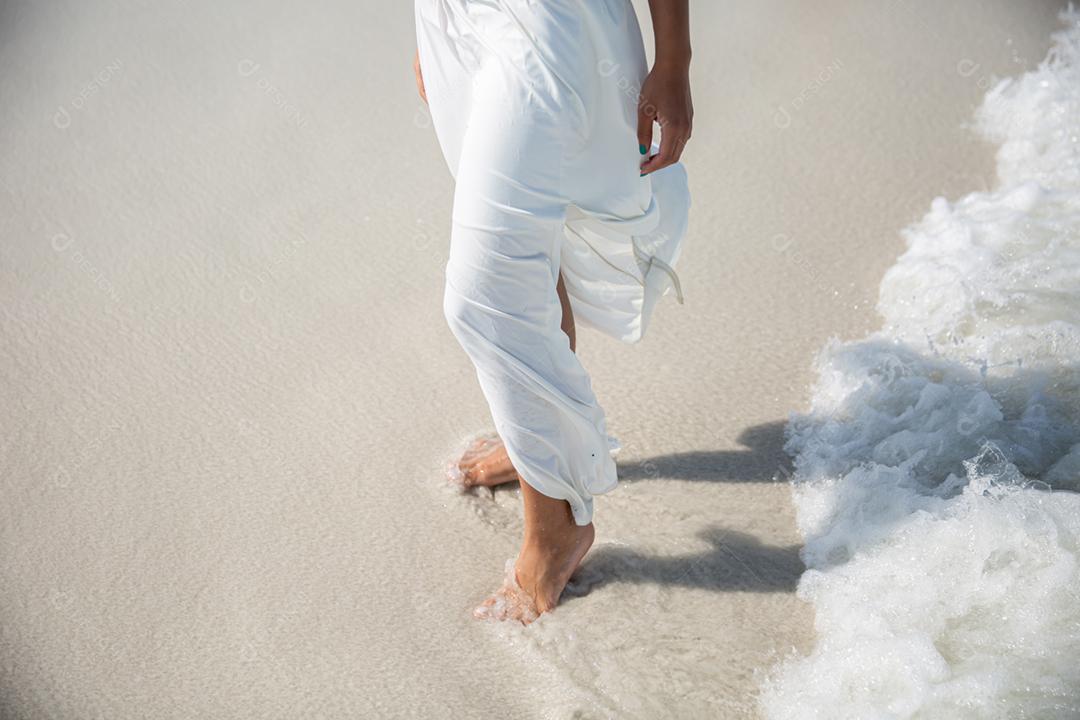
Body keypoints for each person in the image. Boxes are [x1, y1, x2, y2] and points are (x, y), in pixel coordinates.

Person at [413, 0, 692, 623]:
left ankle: (555, 530)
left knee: (486, 295)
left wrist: (675, 57)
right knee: (530, 253)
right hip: (454, 18)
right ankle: (537, 448)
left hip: (546, 24)